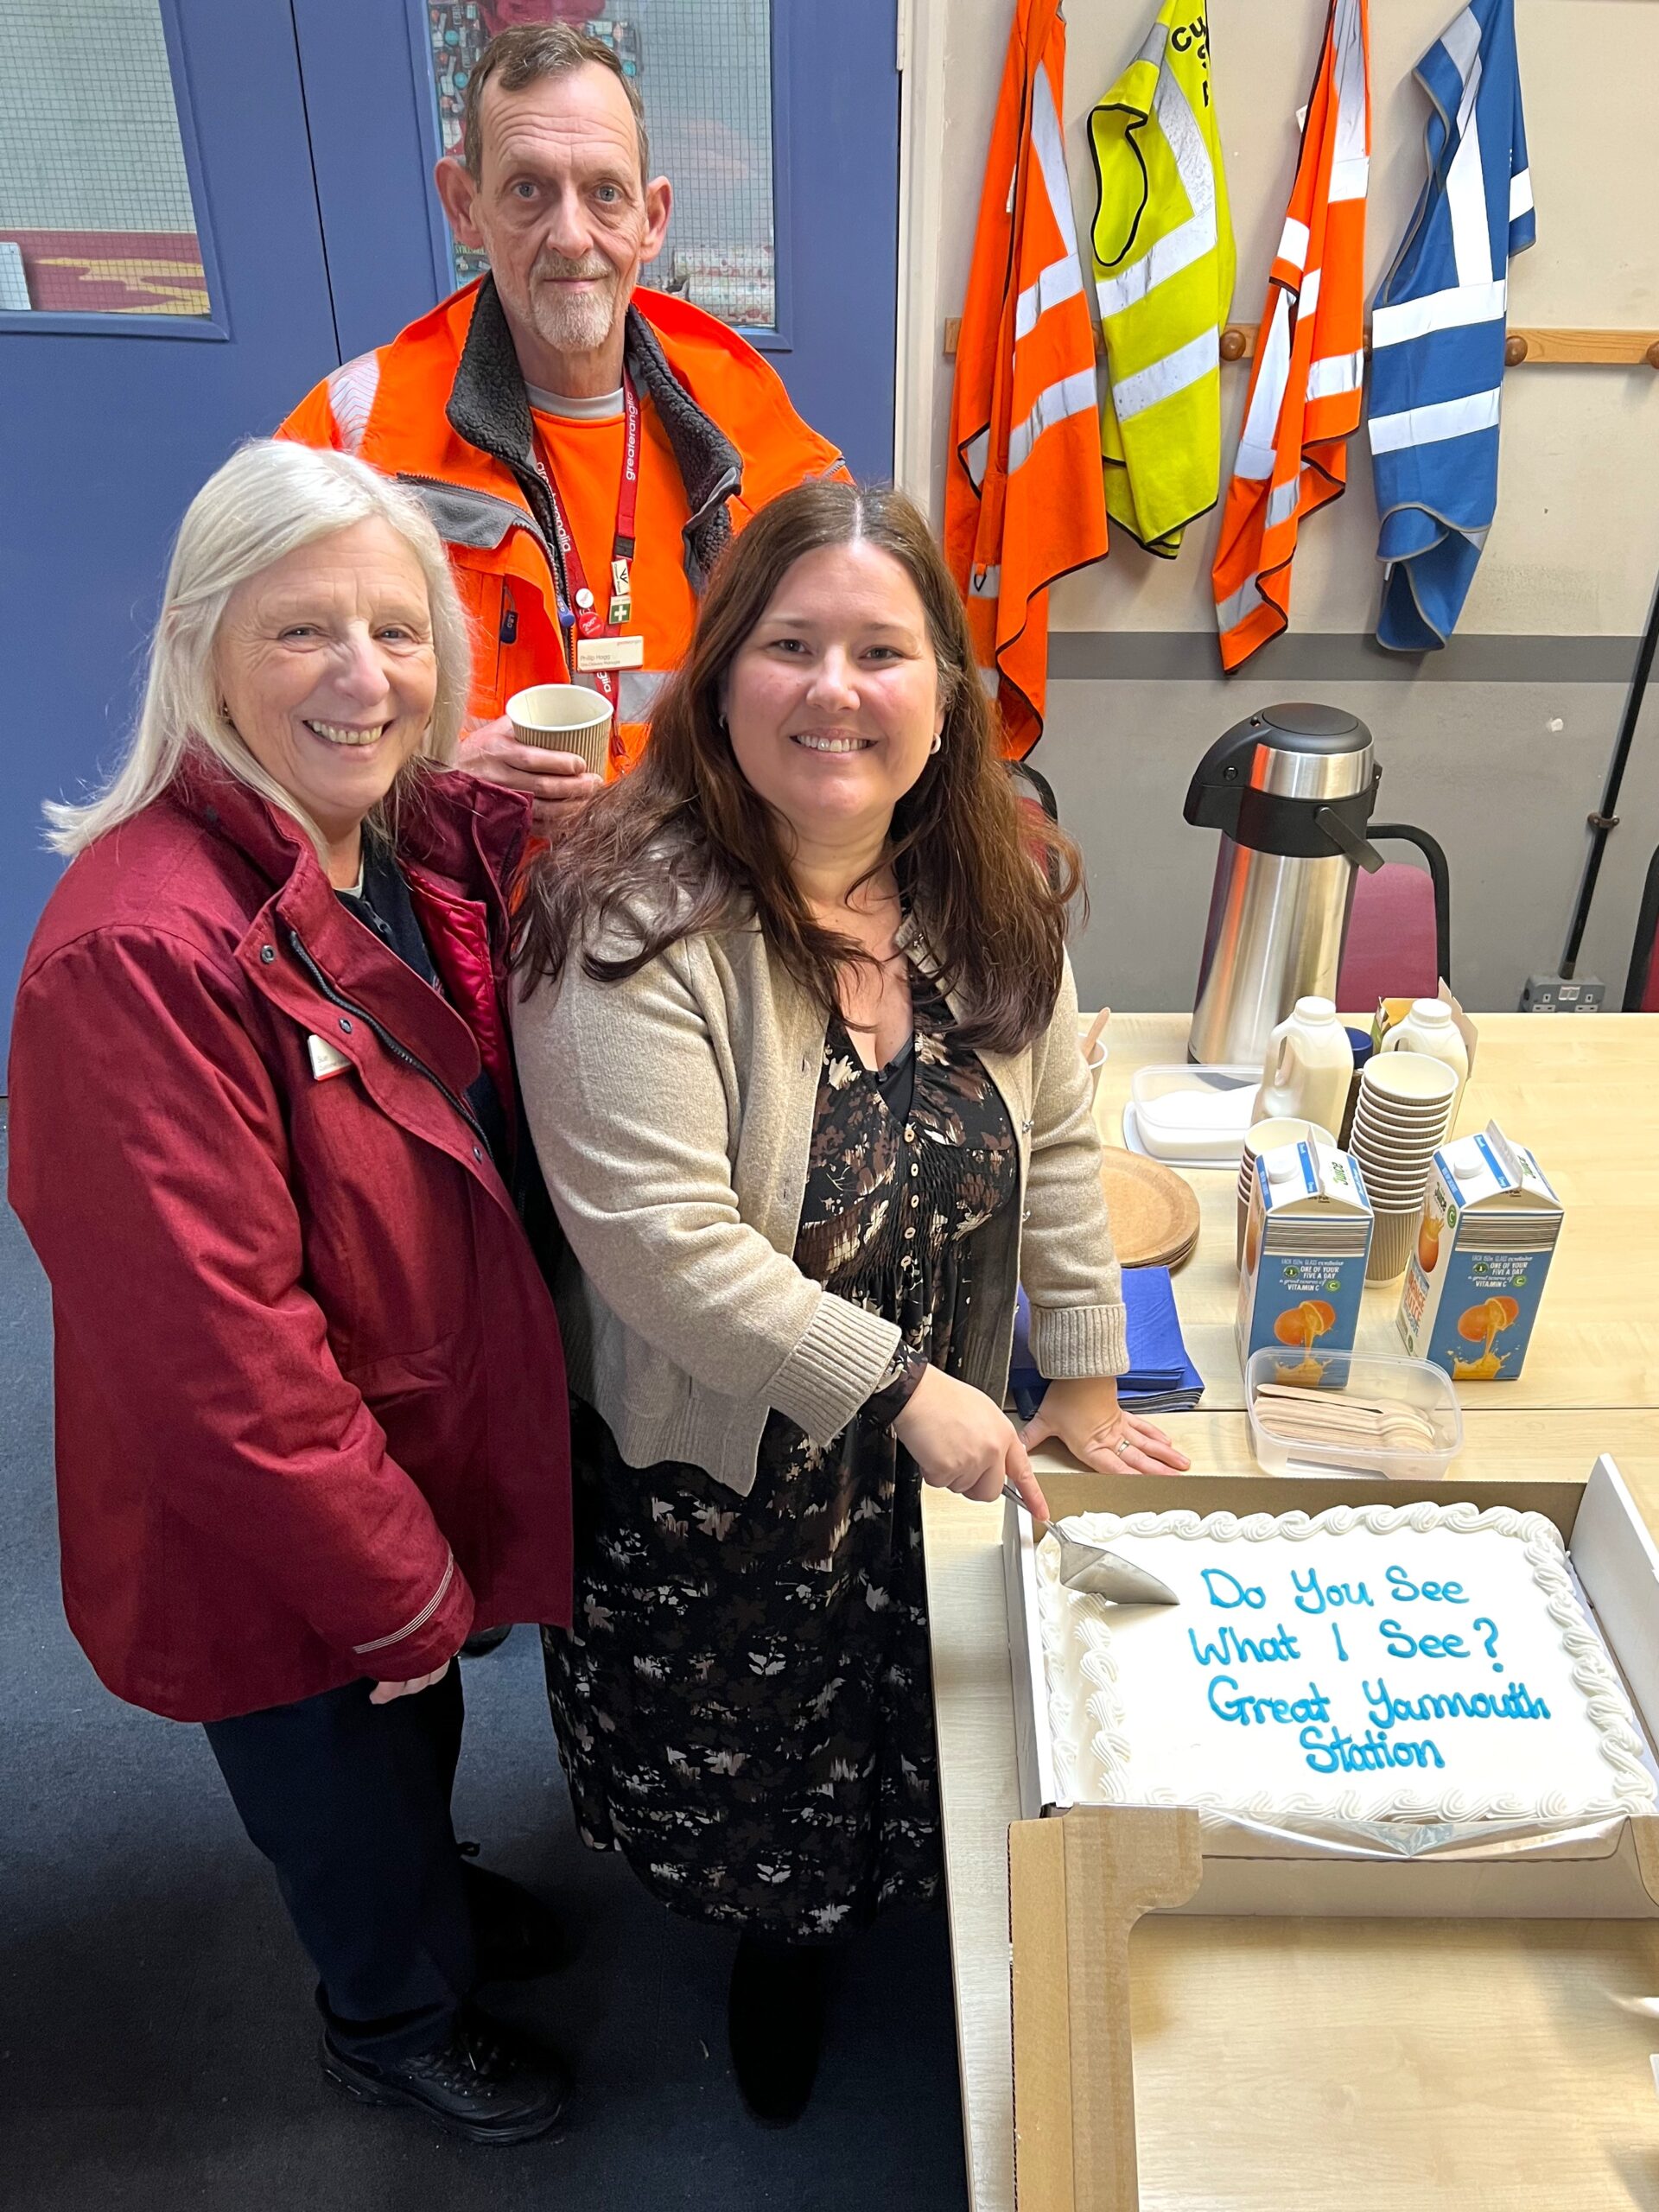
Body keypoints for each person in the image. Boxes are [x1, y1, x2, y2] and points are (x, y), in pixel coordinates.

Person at [509, 480, 1191, 2125]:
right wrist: (903, 1391)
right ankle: (777, 1956)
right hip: (723, 1475)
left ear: (948, 696)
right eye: (791, 645)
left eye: (883, 653)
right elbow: (663, 1244)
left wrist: (1084, 1376)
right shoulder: (623, 911)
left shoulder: (982, 883)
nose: (836, 690)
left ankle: (880, 1898)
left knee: (908, 1715)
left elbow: (1066, 1135)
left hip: (920, 1457)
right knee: (759, 1770)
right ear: (719, 673)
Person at [8, 441, 575, 2147]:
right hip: (272, 1516)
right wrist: (398, 1581)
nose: (363, 676)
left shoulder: (371, 844)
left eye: (398, 633)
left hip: (386, 1439)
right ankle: (392, 2016)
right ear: (201, 645)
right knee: (336, 1772)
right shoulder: (138, 951)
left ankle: (437, 1906)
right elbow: (220, 1369)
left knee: (409, 1751)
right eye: (303, 630)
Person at [280, 21, 842, 841]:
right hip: (454, 916)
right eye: (528, 190)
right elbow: (249, 707)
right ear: (464, 205)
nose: (572, 235)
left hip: (687, 905)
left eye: (605, 193)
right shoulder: (362, 426)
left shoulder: (745, 417)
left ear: (652, 219)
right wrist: (421, 783)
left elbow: (848, 681)